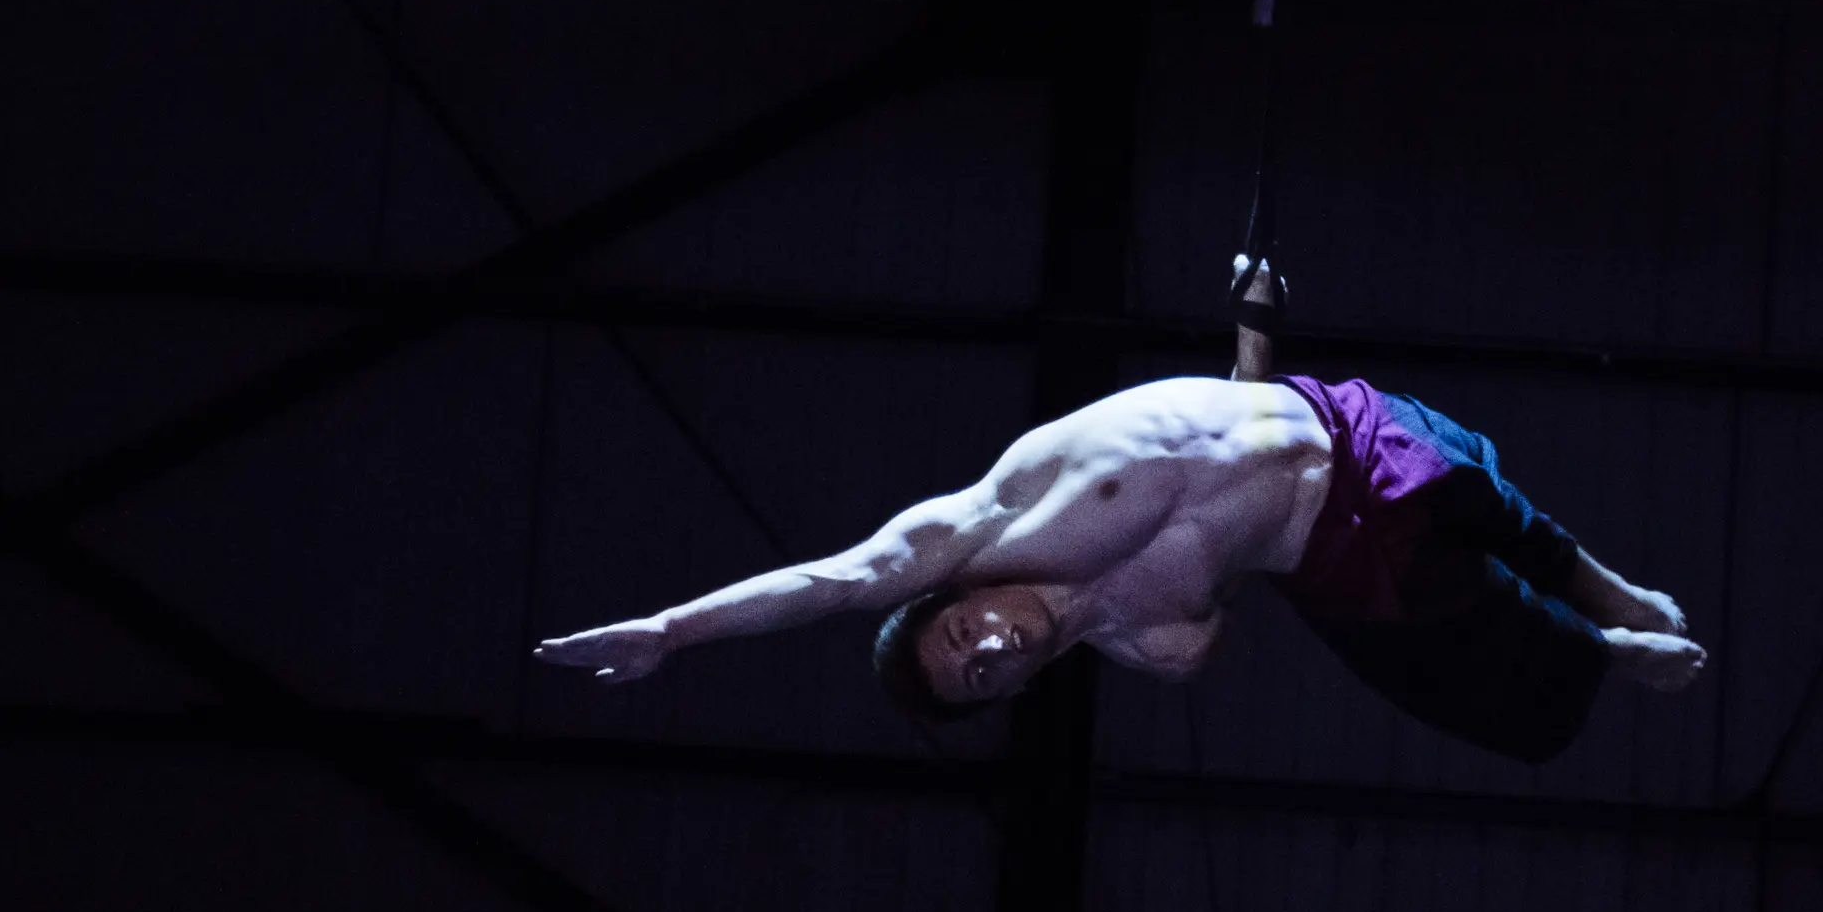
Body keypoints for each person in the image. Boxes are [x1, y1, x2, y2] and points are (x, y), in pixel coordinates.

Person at [534, 259, 1705, 762]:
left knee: (1497, 512)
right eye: (985, 674)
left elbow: (833, 583)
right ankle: (1600, 647)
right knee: (1440, 639)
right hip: (1329, 540)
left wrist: (676, 629)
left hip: (1334, 429)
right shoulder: (1153, 641)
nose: (988, 647)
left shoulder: (988, 521)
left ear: (950, 595)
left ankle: (1607, 596)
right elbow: (1229, 540)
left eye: (957, 635)